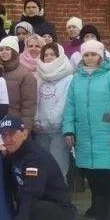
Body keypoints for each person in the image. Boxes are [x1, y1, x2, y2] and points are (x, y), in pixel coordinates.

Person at [62, 39, 110, 220]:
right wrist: (69, 130)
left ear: (101, 56)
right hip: (84, 138)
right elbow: (70, 107)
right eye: (86, 55)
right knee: (94, 182)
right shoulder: (77, 79)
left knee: (108, 181)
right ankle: (100, 215)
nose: (90, 58)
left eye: (93, 54)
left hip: (107, 137)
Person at [33, 43, 75, 180]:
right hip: (41, 129)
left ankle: (60, 199)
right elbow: (36, 100)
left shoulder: (69, 77)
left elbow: (66, 101)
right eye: (46, 55)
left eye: (52, 54)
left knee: (58, 167)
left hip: (59, 129)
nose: (49, 57)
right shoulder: (39, 76)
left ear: (59, 56)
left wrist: (54, 119)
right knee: (43, 167)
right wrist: (36, 118)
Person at [0, 37, 38, 130]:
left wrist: (25, 129)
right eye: (1, 50)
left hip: (14, 124)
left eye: (7, 49)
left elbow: (28, 106)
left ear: (14, 51)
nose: (4, 52)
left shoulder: (25, 75)